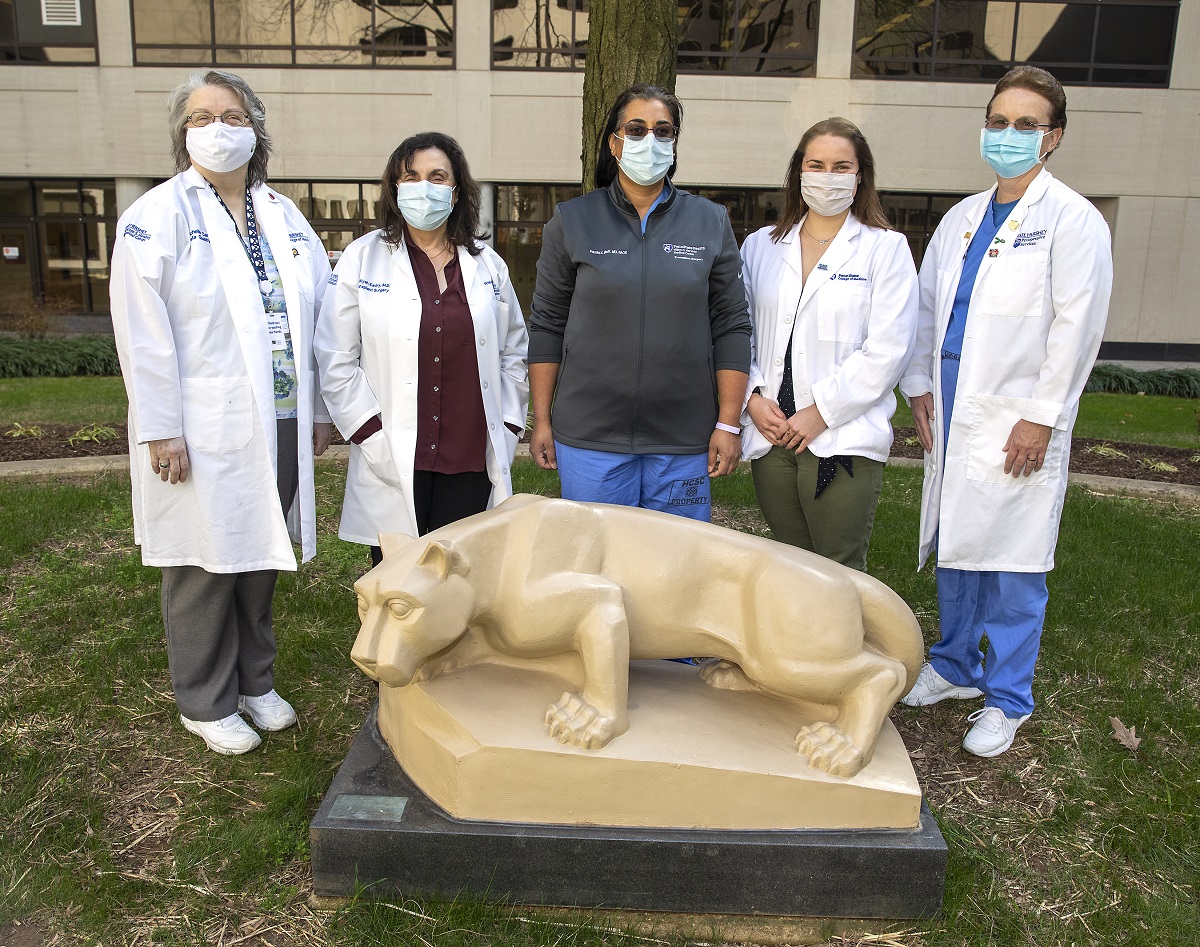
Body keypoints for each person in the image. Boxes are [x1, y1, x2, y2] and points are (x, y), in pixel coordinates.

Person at [110, 69, 333, 755]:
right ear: (182, 132)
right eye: (202, 116)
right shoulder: (156, 216)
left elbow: (321, 312)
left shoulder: (282, 213)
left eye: (232, 115)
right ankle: (204, 698)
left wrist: (320, 409)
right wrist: (160, 426)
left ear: (255, 128)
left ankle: (254, 681)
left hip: (284, 414)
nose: (218, 128)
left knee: (260, 551)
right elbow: (141, 330)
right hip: (203, 423)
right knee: (206, 562)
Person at [898, 66, 1112, 757]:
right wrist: (919, 384)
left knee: (1016, 557)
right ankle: (957, 665)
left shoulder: (1072, 220)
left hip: (1017, 411)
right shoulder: (962, 217)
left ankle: (1010, 696)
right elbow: (927, 310)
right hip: (954, 403)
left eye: (1026, 124)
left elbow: (1075, 327)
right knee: (958, 541)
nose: (1008, 135)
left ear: (1053, 137)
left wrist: (1042, 415)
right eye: (997, 121)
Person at [527, 84, 751, 522]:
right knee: (598, 567)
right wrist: (542, 419)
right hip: (590, 437)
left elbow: (731, 325)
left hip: (683, 439)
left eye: (662, 130)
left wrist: (728, 422)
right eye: (637, 129)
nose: (650, 139)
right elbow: (547, 326)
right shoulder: (572, 221)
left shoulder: (710, 221)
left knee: (678, 569)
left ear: (674, 142)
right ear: (615, 142)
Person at [314, 132, 528, 564]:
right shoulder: (363, 257)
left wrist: (506, 426)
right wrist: (366, 431)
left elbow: (514, 352)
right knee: (398, 589)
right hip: (391, 452)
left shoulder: (487, 264)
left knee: (462, 588)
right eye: (411, 177)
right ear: (395, 189)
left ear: (456, 190)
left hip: (470, 455)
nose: (424, 187)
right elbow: (336, 357)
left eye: (437, 176)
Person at [740, 118, 918, 571]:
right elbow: (736, 330)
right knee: (791, 565)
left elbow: (889, 350)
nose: (827, 176)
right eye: (816, 164)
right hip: (771, 432)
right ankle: (797, 645)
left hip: (842, 436)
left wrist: (821, 412)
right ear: (798, 173)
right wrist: (753, 398)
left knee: (838, 570)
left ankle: (845, 645)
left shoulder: (886, 248)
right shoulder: (760, 245)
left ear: (861, 178)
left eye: (842, 167)